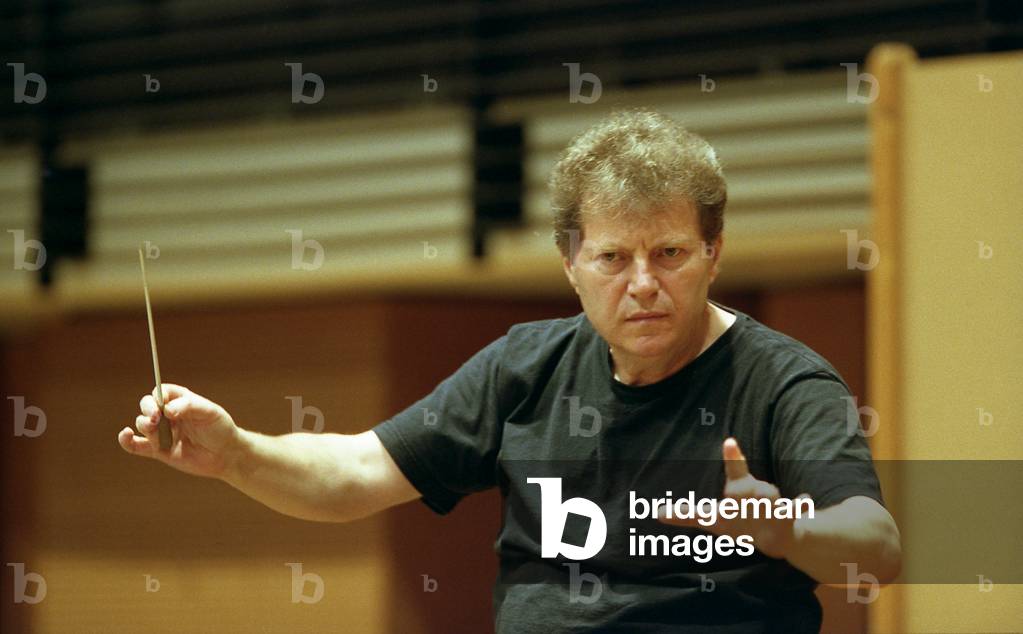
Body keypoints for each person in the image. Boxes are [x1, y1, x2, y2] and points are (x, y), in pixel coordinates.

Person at [118, 109, 901, 633]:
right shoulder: (525, 368)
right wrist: (236, 455)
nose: (641, 283)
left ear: (714, 252)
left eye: (668, 253)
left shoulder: (781, 382)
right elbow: (355, 470)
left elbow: (875, 546)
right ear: (570, 263)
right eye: (611, 258)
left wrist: (786, 525)